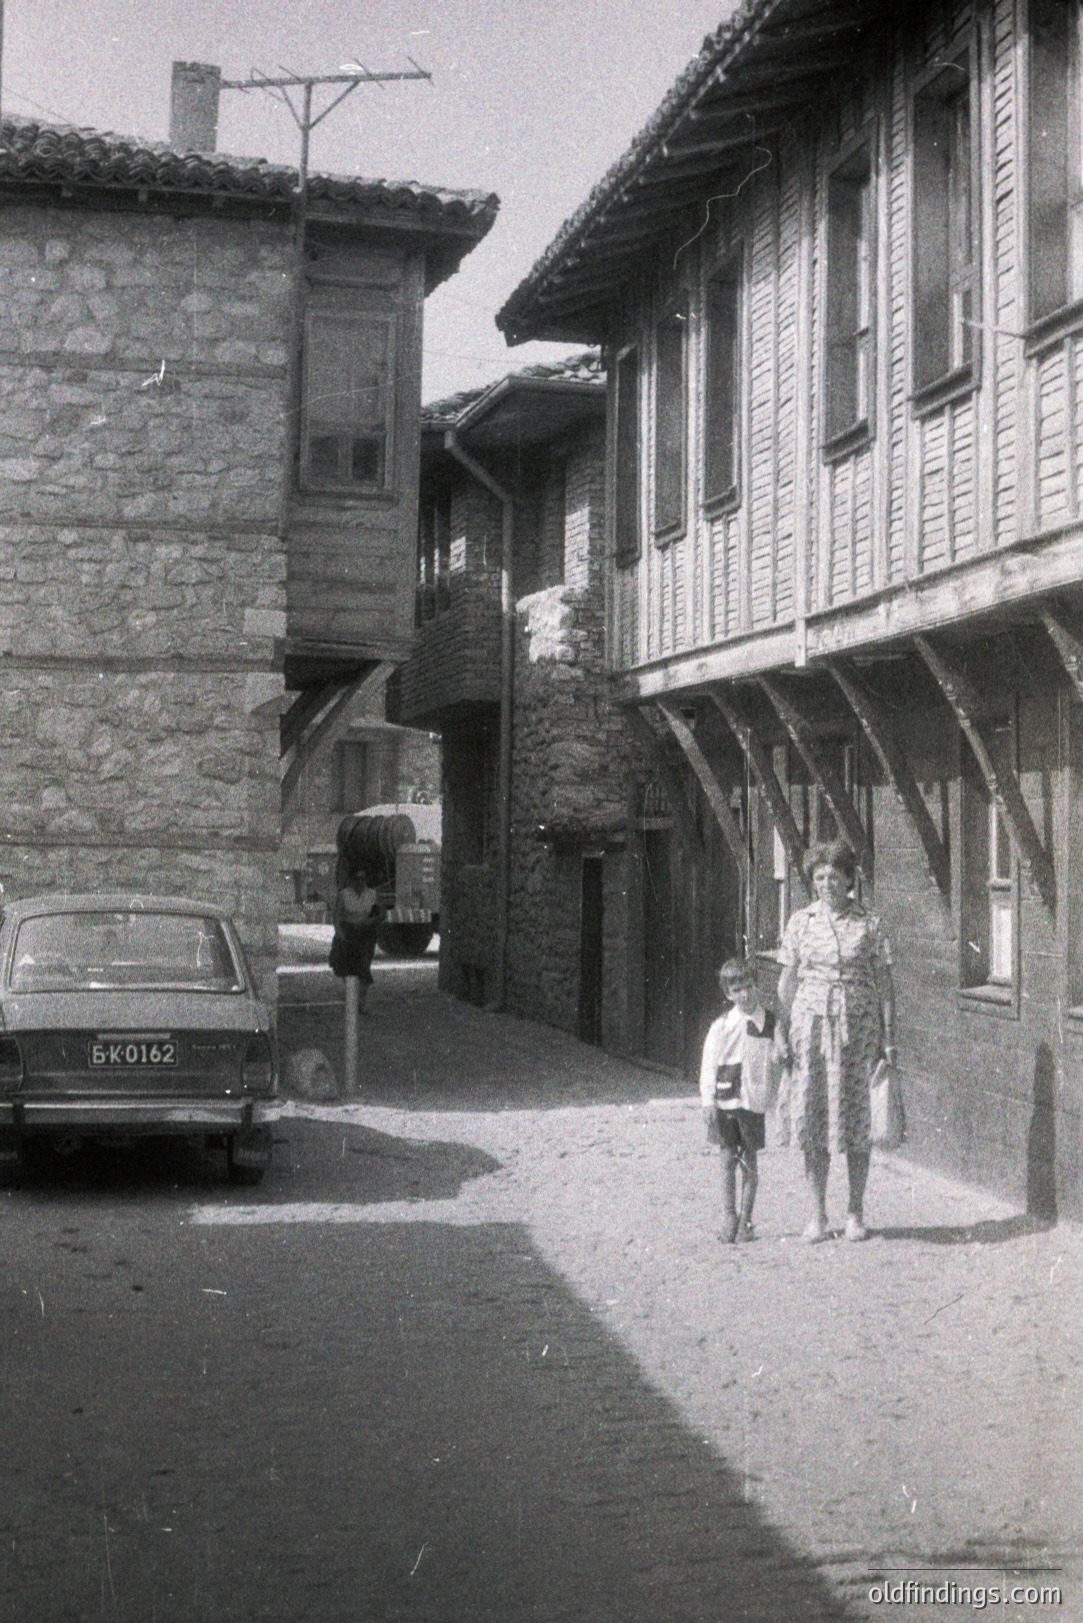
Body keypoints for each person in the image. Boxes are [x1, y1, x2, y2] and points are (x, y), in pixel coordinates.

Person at [777, 838, 895, 1243]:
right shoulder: (799, 923)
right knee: (814, 1117)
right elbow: (786, 981)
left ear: (850, 879)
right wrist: (780, 1030)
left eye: (835, 876)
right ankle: (817, 1215)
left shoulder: (869, 923)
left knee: (857, 1119)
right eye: (819, 876)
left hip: (859, 1030)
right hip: (810, 1028)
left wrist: (889, 1039)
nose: (827, 883)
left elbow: (886, 985)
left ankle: (855, 1213)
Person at [699, 957, 787, 1243]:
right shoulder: (722, 1026)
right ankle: (729, 1216)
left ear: (756, 986)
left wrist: (781, 1053)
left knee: (749, 1161)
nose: (744, 994)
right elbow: (709, 1064)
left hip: (752, 1102)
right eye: (737, 990)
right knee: (727, 1158)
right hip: (725, 1102)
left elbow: (777, 1056)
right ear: (728, 993)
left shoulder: (770, 1023)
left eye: (748, 987)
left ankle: (746, 1221)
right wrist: (708, 1101)